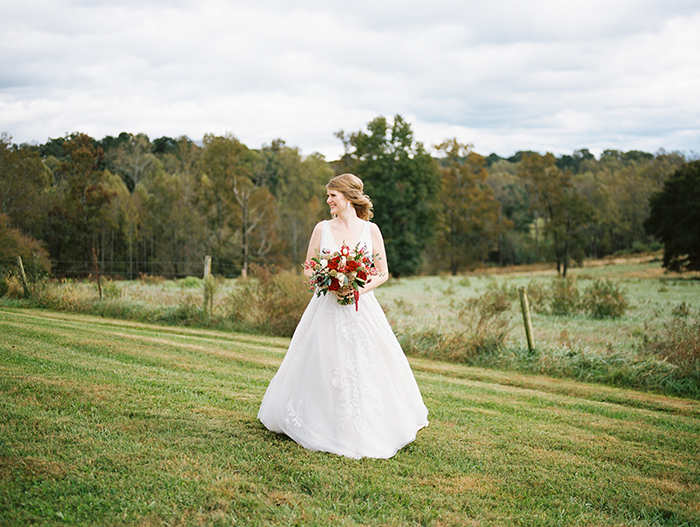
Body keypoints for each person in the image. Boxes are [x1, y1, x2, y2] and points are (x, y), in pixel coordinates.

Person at [257, 173, 428, 459]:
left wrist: (358, 288)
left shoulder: (371, 231)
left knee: (364, 362)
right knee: (323, 360)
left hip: (362, 307)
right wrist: (328, 280)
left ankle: (369, 424)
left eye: (332, 196)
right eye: (328, 196)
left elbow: (382, 273)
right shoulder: (321, 228)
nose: (328, 201)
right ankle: (317, 419)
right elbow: (308, 267)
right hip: (325, 305)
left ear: (347, 197)